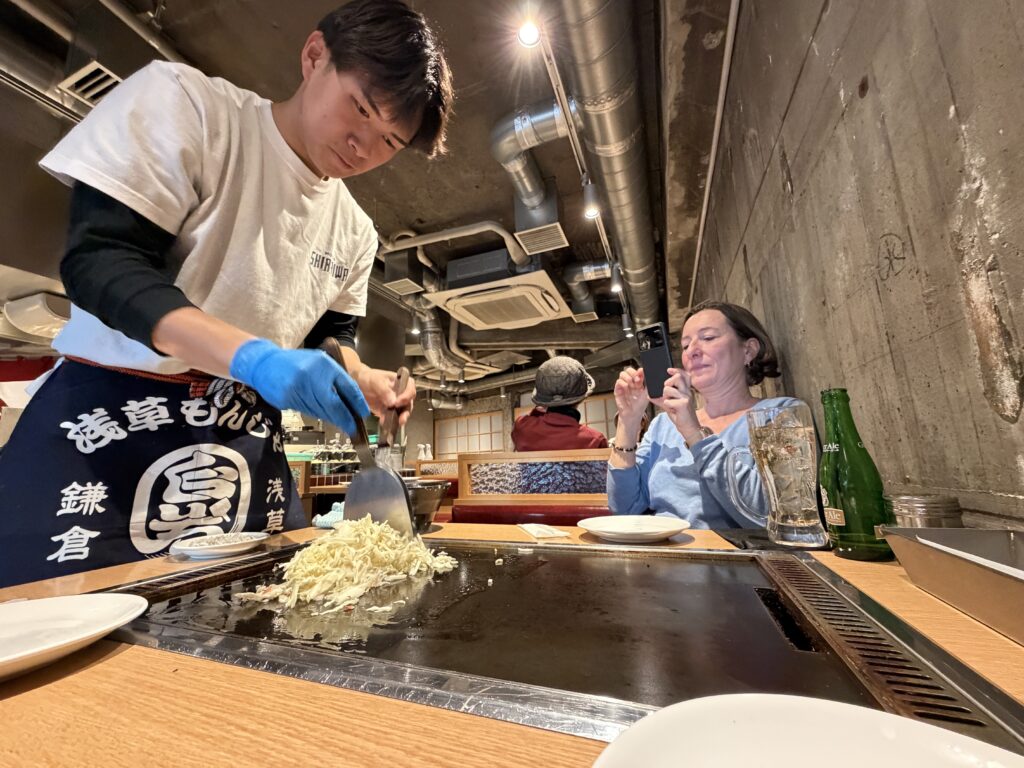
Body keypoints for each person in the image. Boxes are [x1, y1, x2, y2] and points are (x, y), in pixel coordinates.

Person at [0, 0, 453, 587]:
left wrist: (358, 375)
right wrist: (254, 358)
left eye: (389, 140)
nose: (361, 146)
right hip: (107, 422)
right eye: (359, 108)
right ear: (314, 55)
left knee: (264, 630)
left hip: (244, 445)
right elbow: (102, 262)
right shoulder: (190, 108)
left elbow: (327, 337)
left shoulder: (355, 231)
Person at [607, 301, 799, 528]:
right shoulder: (662, 425)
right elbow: (625, 508)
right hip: (662, 557)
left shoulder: (779, 414)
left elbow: (772, 515)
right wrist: (628, 423)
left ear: (748, 350)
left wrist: (694, 433)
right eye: (686, 345)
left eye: (708, 338)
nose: (693, 352)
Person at [512, 356, 609, 451]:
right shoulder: (595, 440)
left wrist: (539, 411)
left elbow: (528, 418)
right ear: (581, 399)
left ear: (542, 401)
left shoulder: (522, 427)